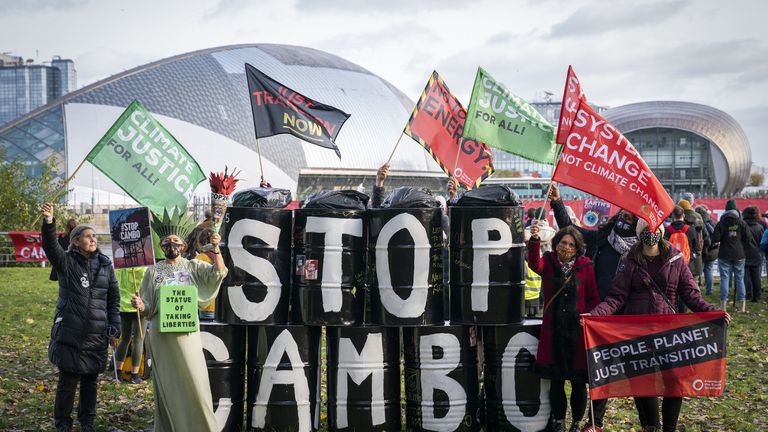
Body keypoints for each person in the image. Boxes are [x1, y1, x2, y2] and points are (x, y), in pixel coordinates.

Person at [586, 218, 728, 432]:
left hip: (668, 332)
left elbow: (690, 294)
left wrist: (711, 313)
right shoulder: (629, 260)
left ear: (661, 231)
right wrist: (595, 315)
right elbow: (616, 297)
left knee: (674, 382)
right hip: (637, 332)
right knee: (643, 382)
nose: (650, 233)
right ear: (640, 232)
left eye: (654, 229)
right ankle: (650, 426)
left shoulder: (675, 258)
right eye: (646, 230)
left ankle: (669, 428)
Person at [548, 184, 637, 432]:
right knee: (591, 370)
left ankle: (595, 420)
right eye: (623, 213)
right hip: (595, 315)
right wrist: (557, 203)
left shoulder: (642, 248)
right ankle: (586, 421)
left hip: (623, 315)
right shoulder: (603, 239)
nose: (624, 217)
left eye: (630, 215)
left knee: (608, 373)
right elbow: (574, 231)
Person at [131, 209, 227, 431]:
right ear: (161, 245)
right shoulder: (152, 271)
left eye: (176, 241)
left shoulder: (192, 266)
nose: (171, 244)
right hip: (161, 337)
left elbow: (219, 273)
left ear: (183, 245)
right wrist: (140, 305)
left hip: (187, 334)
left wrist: (216, 249)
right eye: (167, 241)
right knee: (168, 384)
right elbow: (148, 307)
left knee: (195, 382)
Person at [40, 203, 120, 432]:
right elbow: (50, 246)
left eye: (94, 236)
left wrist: (114, 327)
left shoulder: (106, 266)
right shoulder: (66, 262)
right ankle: (63, 423)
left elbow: (113, 299)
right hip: (70, 332)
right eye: (87, 236)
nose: (93, 239)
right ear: (75, 241)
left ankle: (87, 422)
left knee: (90, 382)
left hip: (96, 334)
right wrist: (49, 222)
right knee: (68, 381)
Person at [528, 223, 599, 432]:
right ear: (556, 243)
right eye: (562, 242)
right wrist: (534, 241)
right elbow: (534, 264)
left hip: (577, 332)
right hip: (554, 331)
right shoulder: (548, 262)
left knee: (578, 382)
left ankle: (576, 422)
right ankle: (558, 420)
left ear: (577, 248)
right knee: (556, 381)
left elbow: (593, 297)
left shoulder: (586, 266)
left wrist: (591, 316)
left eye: (570, 244)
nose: (566, 247)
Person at [711, 199, 749, 312]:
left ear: (726, 209)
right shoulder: (741, 222)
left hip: (724, 254)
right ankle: (742, 307)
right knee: (740, 279)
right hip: (739, 254)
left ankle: (723, 306)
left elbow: (715, 239)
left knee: (724, 279)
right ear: (736, 209)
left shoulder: (721, 222)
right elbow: (748, 238)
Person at [114, 267, 147, 384]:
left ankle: (117, 374)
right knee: (138, 340)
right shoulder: (144, 267)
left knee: (125, 339)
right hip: (138, 305)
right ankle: (135, 376)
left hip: (123, 305)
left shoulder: (120, 267)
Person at [695, 205, 718, 296]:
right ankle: (709, 291)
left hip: (704, 251)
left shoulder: (700, 223)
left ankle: (698, 291)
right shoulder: (712, 222)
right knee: (709, 270)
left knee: (699, 271)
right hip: (714, 250)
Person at [742, 206, 764, 302]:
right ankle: (757, 295)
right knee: (756, 277)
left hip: (744, 253)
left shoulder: (742, 226)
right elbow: (762, 241)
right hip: (756, 254)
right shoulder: (759, 227)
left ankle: (747, 294)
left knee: (745, 277)